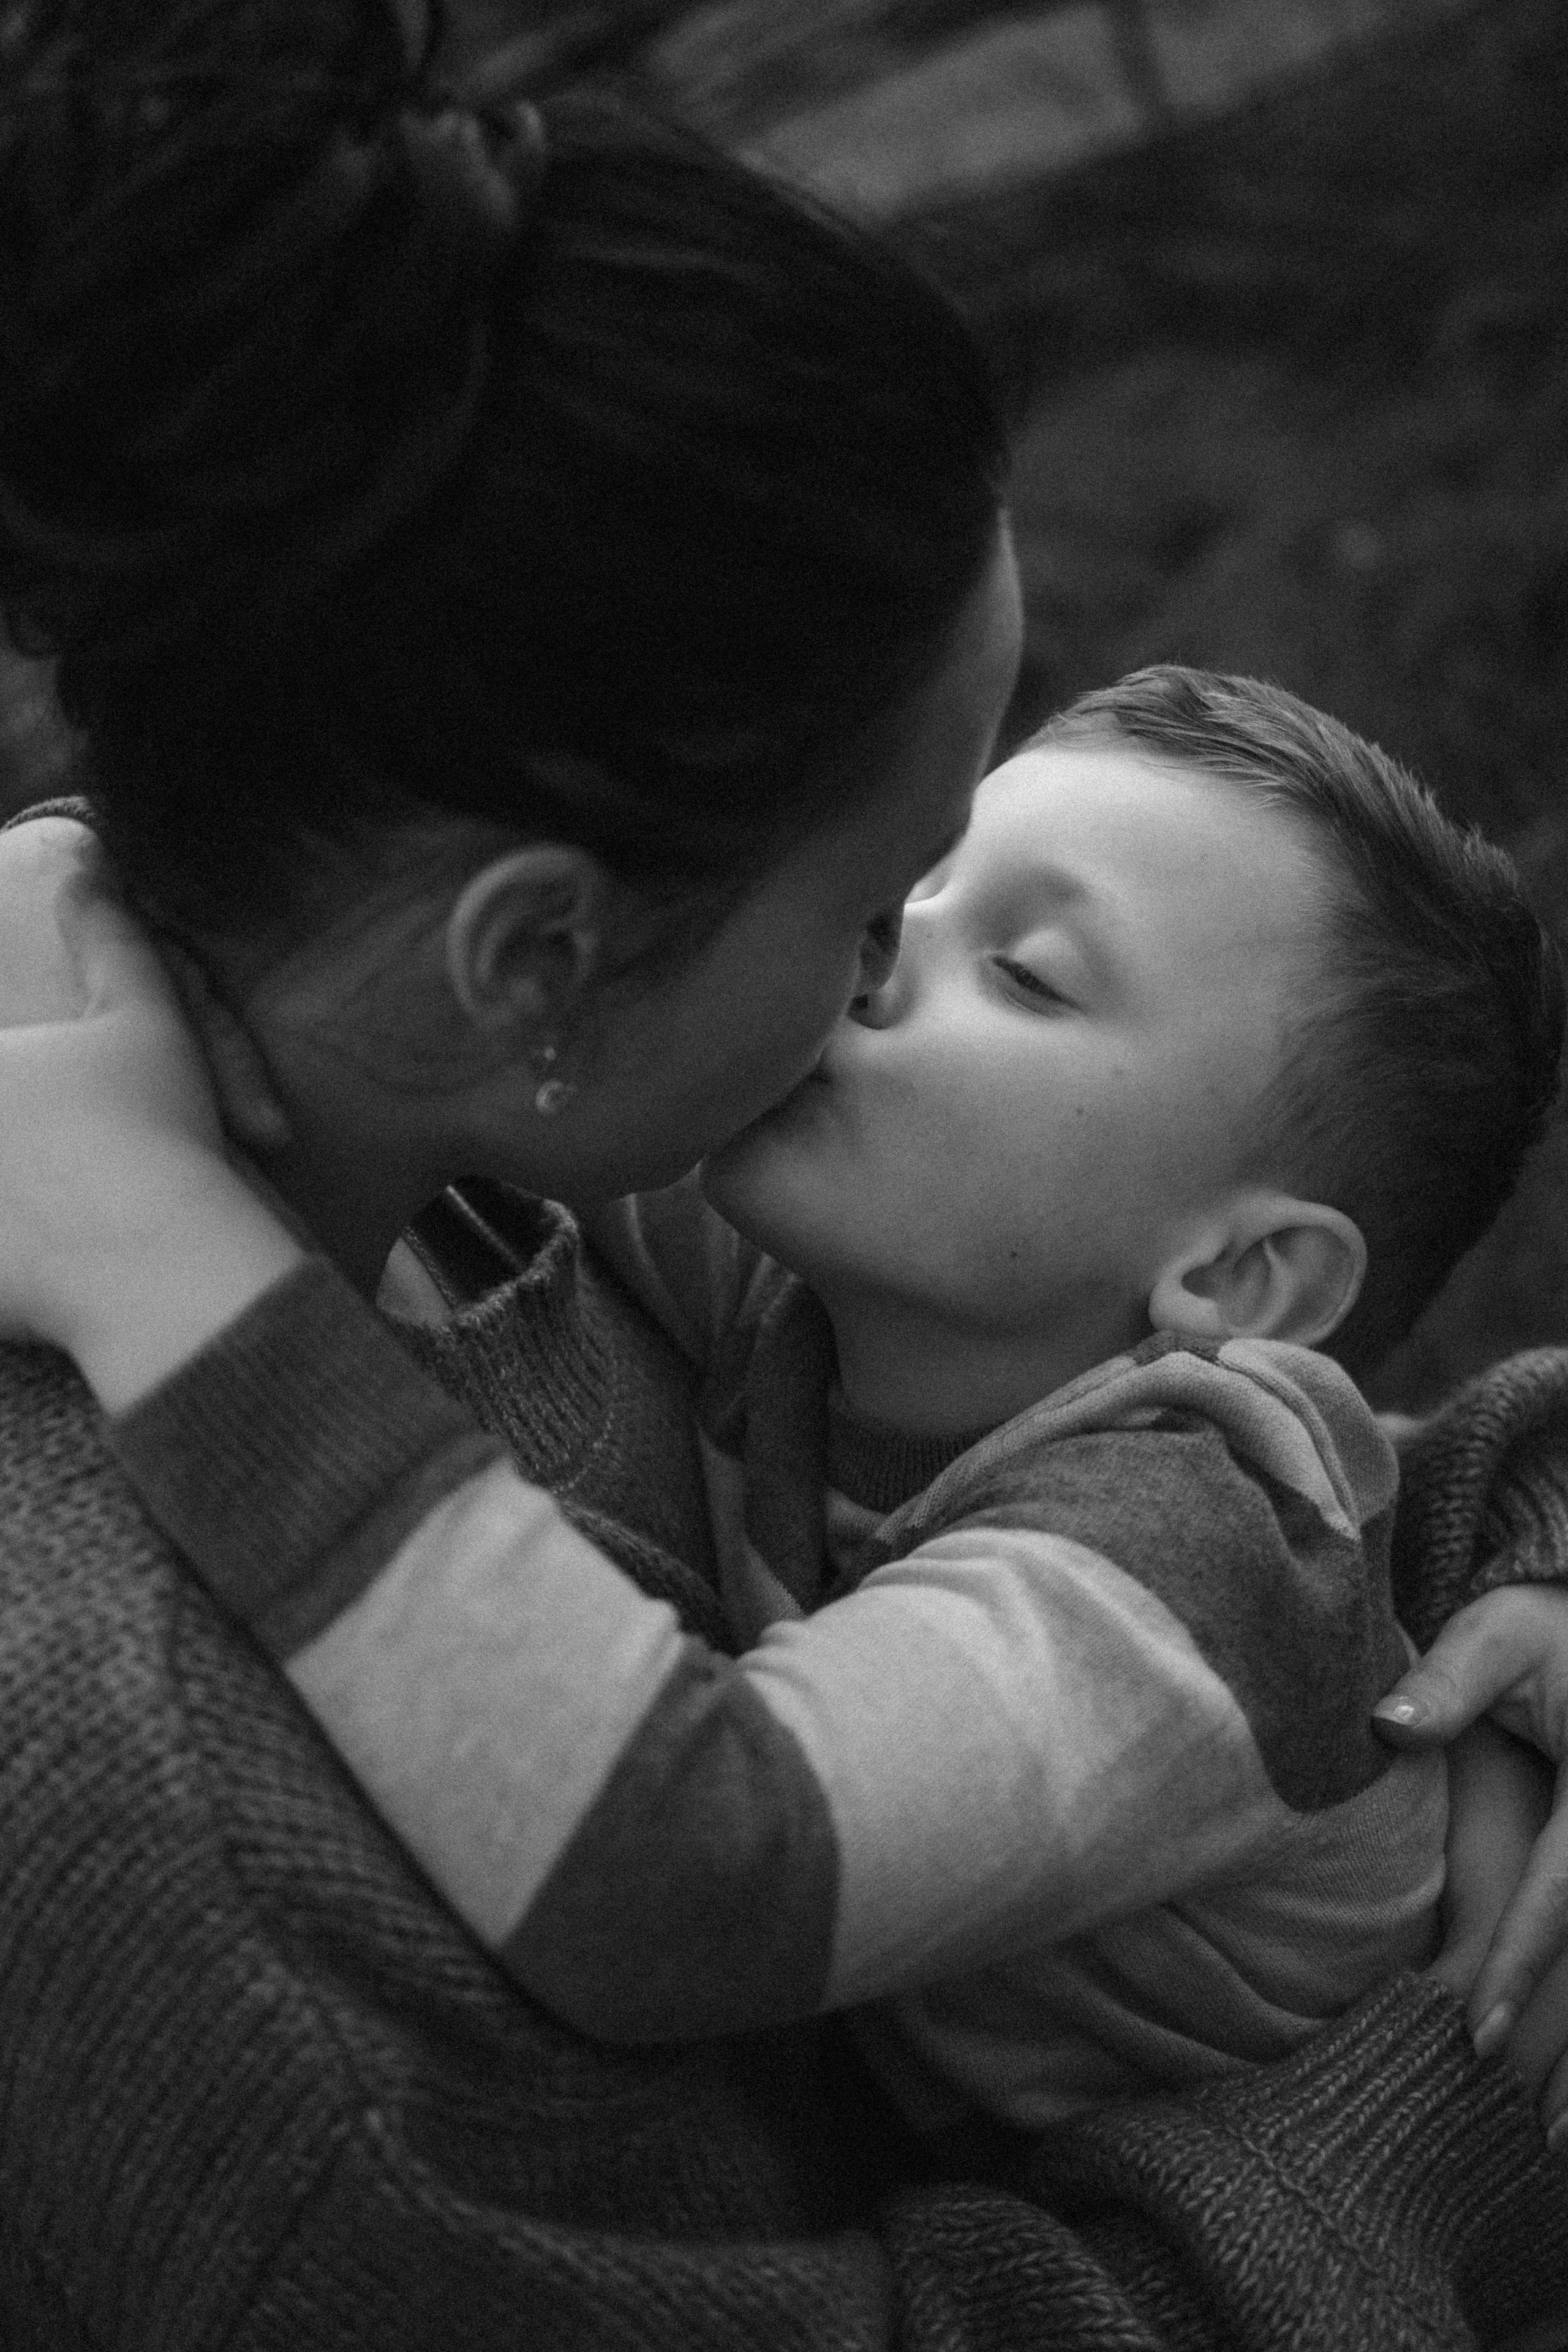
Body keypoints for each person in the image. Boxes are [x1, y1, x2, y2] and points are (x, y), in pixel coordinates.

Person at [1, 3, 1567, 2346]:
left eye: (978, 940)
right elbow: (689, 1869)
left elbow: (1324, 1491)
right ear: (539, 959)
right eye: (874, 906)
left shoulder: (487, 1148)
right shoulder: (213, 1894)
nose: (872, 983)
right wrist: (1445, 2129)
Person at [34, 664, 1559, 2145]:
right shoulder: (824, 1288)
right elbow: (414, 1061)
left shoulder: (1197, 1555)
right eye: (910, 880)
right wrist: (94, 884)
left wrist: (169, 1263)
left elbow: (684, 1879)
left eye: (1025, 973)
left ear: (1237, 1280)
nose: (879, 951)